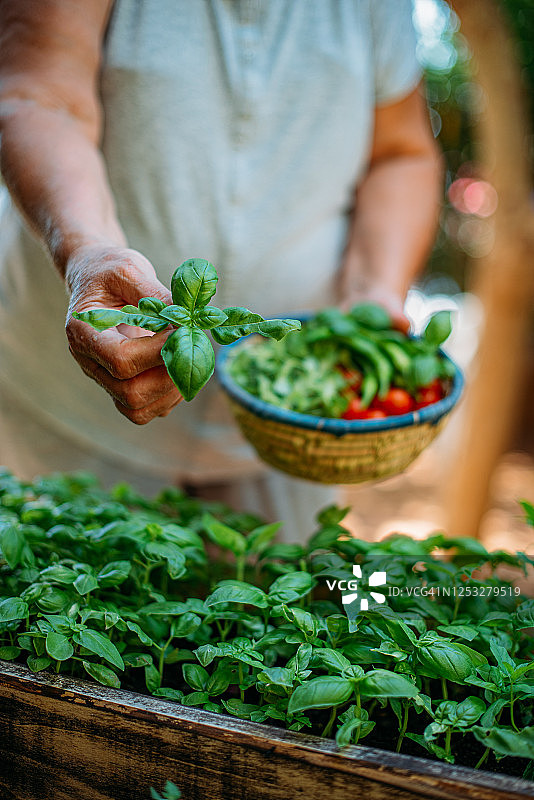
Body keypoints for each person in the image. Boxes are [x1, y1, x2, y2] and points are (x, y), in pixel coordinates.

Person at [0, 0, 441, 539]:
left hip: (292, 417)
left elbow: (400, 151)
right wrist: (87, 250)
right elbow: (39, 94)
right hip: (71, 402)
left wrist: (375, 289)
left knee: (275, 586)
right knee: (76, 575)